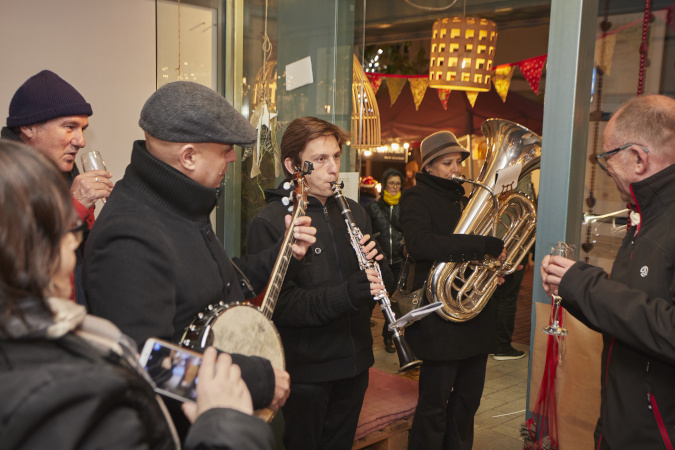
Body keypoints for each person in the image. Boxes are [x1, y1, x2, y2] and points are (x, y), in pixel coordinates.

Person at [0, 138, 273, 449]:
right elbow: (151, 363)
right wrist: (229, 419)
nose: (75, 243)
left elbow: (151, 355)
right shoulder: (65, 393)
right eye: (65, 230)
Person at [83, 81, 316, 438]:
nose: (233, 158)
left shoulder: (176, 202)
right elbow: (153, 365)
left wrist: (282, 252)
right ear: (188, 156)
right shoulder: (128, 234)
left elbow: (215, 285)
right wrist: (259, 378)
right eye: (225, 150)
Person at [247, 116, 393, 450]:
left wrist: (382, 271)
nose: (333, 169)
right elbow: (282, 306)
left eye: (336, 157)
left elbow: (371, 289)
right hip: (307, 374)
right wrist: (348, 292)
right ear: (292, 165)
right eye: (321, 159)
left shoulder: (355, 212)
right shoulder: (270, 222)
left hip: (355, 364)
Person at [541, 95, 675, 449]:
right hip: (623, 423)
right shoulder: (645, 215)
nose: (605, 169)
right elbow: (630, 317)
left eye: (606, 157)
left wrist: (583, 283)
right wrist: (571, 289)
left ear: (638, 158)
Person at [399, 130, 504, 450]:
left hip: (474, 316)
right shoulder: (415, 197)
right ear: (428, 166)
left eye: (458, 162)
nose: (456, 169)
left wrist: (495, 270)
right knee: (434, 406)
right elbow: (419, 244)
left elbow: (482, 250)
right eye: (447, 163)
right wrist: (480, 247)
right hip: (440, 318)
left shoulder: (465, 198)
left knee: (467, 404)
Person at [2, 70, 113, 304]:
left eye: (82, 128)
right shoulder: (7, 179)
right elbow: (22, 256)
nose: (81, 141)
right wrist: (74, 208)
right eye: (69, 127)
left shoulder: (64, 173)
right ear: (29, 128)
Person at [492, 172, 537, 361]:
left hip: (503, 245)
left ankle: (493, 343)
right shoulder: (520, 179)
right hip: (512, 248)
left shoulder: (502, 179)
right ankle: (502, 346)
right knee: (507, 299)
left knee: (498, 299)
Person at [367, 167, 405, 353]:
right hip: (379, 261)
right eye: (391, 183)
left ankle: (389, 335)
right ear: (385, 185)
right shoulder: (373, 207)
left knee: (395, 301)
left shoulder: (405, 207)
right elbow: (367, 232)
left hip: (398, 260)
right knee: (371, 300)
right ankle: (363, 334)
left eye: (398, 183)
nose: (394, 187)